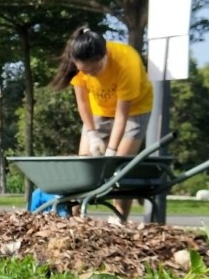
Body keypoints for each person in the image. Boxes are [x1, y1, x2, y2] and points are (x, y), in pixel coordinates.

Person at [51, 26, 153, 219]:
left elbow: (122, 116)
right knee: (84, 166)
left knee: (120, 169)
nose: (90, 75)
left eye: (95, 69)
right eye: (85, 71)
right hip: (99, 109)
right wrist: (91, 134)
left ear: (104, 55)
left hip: (135, 109)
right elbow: (82, 103)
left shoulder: (127, 62)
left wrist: (111, 153)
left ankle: (119, 219)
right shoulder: (78, 66)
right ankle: (77, 221)